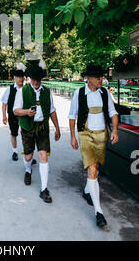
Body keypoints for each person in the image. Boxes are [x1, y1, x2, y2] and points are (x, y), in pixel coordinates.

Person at [68, 64, 119, 228]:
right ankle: (99, 212)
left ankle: (87, 190)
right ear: (89, 79)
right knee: (92, 169)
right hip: (85, 134)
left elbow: (113, 112)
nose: (101, 80)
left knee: (96, 167)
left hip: (101, 134)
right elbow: (72, 116)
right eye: (98, 77)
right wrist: (72, 136)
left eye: (101, 77)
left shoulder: (105, 93)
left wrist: (115, 130)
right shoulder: (79, 93)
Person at [13, 64, 61, 203]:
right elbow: (15, 110)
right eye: (33, 79)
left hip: (42, 127)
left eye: (38, 79)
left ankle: (44, 189)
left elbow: (52, 110)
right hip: (27, 126)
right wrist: (26, 112)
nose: (36, 82)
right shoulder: (22, 91)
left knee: (43, 155)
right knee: (28, 156)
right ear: (29, 78)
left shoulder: (47, 91)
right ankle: (28, 170)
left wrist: (57, 128)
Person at [1, 64, 27, 162]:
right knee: (14, 133)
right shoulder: (10, 89)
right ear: (15, 78)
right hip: (12, 116)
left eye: (22, 77)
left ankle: (27, 153)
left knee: (26, 134)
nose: (21, 79)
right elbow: (4, 103)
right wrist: (4, 116)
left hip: (25, 116)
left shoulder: (26, 89)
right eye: (19, 77)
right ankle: (15, 151)